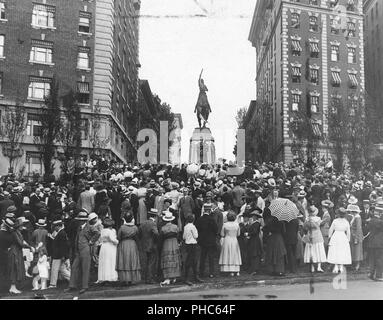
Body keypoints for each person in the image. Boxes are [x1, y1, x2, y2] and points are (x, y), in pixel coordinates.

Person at [65, 212, 101, 294]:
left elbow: (98, 233)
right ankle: (72, 285)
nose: (79, 221)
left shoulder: (89, 227)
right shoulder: (79, 227)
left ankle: (85, 286)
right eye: (79, 220)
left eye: (80, 220)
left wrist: (91, 241)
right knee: (74, 267)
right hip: (78, 250)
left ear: (84, 220)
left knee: (85, 268)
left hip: (86, 249)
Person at [116, 213, 141, 285]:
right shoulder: (135, 227)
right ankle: (132, 279)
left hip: (124, 244)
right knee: (132, 260)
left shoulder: (122, 227)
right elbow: (137, 236)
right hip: (132, 244)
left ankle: (125, 279)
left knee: (124, 260)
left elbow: (119, 237)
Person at [195, 203, 218, 278]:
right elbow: (216, 230)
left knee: (203, 257)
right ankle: (211, 273)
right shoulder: (212, 219)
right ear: (209, 210)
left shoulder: (199, 219)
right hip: (211, 241)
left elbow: (197, 229)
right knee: (211, 257)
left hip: (202, 241)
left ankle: (201, 272)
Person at [160, 211, 182, 286]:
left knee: (167, 259)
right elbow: (178, 235)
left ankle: (168, 277)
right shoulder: (175, 227)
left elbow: (161, 237)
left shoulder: (163, 228)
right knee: (174, 257)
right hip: (174, 242)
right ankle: (175, 276)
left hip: (166, 243)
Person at [327, 208, 352, 273]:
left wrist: (329, 237)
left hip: (336, 236)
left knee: (336, 251)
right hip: (343, 237)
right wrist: (348, 239)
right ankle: (340, 267)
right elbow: (348, 232)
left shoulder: (335, 221)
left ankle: (336, 266)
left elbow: (331, 229)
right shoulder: (346, 222)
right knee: (341, 251)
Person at [303, 205, 327, 273]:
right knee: (318, 251)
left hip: (310, 235)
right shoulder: (318, 219)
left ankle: (312, 267)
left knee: (312, 251)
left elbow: (304, 228)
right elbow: (320, 225)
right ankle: (319, 267)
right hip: (317, 236)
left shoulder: (307, 219)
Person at [139, 208, 159, 284]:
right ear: (155, 216)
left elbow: (139, 232)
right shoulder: (153, 224)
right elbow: (156, 233)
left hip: (144, 244)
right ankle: (150, 278)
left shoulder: (143, 223)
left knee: (145, 261)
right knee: (151, 262)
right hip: (152, 245)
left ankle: (145, 277)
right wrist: (156, 241)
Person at [48, 219, 70, 288]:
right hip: (59, 255)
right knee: (62, 269)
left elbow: (63, 246)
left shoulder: (61, 233)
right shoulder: (61, 233)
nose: (54, 228)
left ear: (58, 226)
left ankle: (53, 284)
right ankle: (72, 279)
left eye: (55, 226)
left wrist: (63, 256)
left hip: (58, 255)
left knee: (55, 269)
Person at [219, 212, 242, 276]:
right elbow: (238, 234)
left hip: (227, 240)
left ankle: (228, 269)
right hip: (234, 240)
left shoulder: (225, 224)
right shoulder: (237, 224)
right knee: (235, 254)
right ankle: (236, 270)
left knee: (227, 253)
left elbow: (222, 234)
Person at [182, 214, 203, 285]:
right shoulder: (193, 227)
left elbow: (184, 237)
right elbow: (196, 236)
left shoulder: (185, 227)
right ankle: (192, 277)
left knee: (189, 260)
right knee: (194, 260)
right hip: (193, 244)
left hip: (187, 244)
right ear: (193, 220)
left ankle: (189, 277)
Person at [97, 218, 119, 284]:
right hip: (110, 247)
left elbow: (100, 240)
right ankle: (110, 277)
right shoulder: (110, 231)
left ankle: (103, 277)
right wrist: (117, 242)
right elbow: (113, 240)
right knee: (110, 261)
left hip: (104, 246)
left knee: (104, 262)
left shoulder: (102, 231)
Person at [366, 206, 383, 281]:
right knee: (379, 259)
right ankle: (379, 276)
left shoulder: (370, 221)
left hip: (371, 242)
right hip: (379, 243)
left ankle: (371, 273)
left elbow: (367, 229)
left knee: (372, 259)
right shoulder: (381, 222)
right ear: (380, 213)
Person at [246, 209, 263, 275]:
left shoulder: (256, 224)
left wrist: (248, 234)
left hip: (255, 240)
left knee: (255, 254)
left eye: (253, 216)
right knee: (253, 254)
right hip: (253, 239)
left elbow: (255, 232)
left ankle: (255, 269)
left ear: (256, 217)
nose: (252, 217)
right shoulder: (254, 223)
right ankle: (254, 268)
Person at [347, 204, 364, 272]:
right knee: (354, 250)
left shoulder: (358, 217)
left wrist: (356, 238)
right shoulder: (354, 217)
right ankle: (354, 265)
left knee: (357, 251)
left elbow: (358, 228)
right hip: (353, 235)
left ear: (354, 211)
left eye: (351, 211)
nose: (350, 213)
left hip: (356, 236)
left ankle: (357, 265)